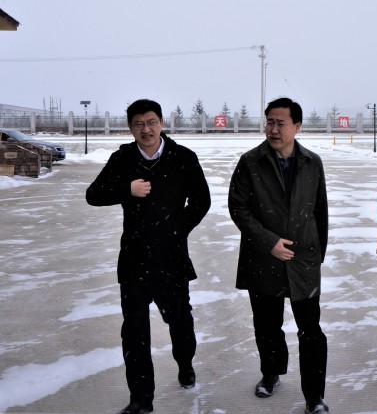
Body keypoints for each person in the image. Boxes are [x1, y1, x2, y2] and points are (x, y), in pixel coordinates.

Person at [86, 99, 211, 414]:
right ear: (130, 128)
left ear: (161, 123)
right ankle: (141, 399)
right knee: (134, 331)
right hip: (134, 258)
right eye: (139, 123)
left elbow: (201, 201)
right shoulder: (122, 159)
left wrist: (176, 230)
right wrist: (125, 190)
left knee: (180, 322)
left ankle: (185, 362)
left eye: (151, 122)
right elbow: (93, 194)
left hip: (172, 258)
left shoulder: (183, 157)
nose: (146, 129)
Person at [228, 97, 330, 414]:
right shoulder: (250, 162)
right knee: (267, 325)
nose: (273, 129)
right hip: (263, 257)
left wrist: (316, 255)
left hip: (303, 258)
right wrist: (269, 241)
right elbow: (239, 208)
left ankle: (314, 396)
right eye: (269, 122)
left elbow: (320, 211)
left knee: (311, 331)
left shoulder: (312, 162)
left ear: (296, 126)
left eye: (280, 123)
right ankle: (271, 373)